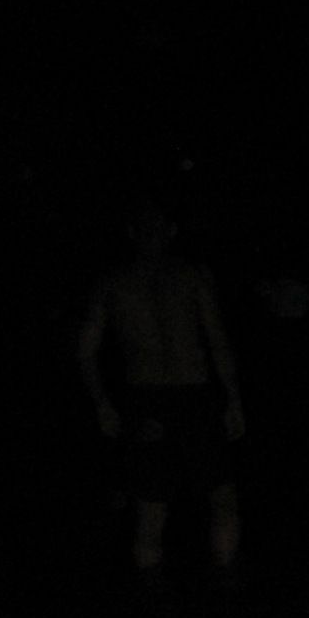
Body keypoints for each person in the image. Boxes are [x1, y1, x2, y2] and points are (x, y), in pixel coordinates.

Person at [77, 205, 247, 582]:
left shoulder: (189, 275)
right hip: (153, 399)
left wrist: (233, 399)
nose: (152, 234)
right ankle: (159, 601)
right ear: (133, 231)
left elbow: (217, 339)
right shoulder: (116, 281)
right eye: (146, 226)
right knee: (154, 507)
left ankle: (224, 590)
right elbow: (85, 350)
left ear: (170, 230)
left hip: (185, 396)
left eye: (157, 226)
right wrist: (102, 404)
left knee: (217, 497)